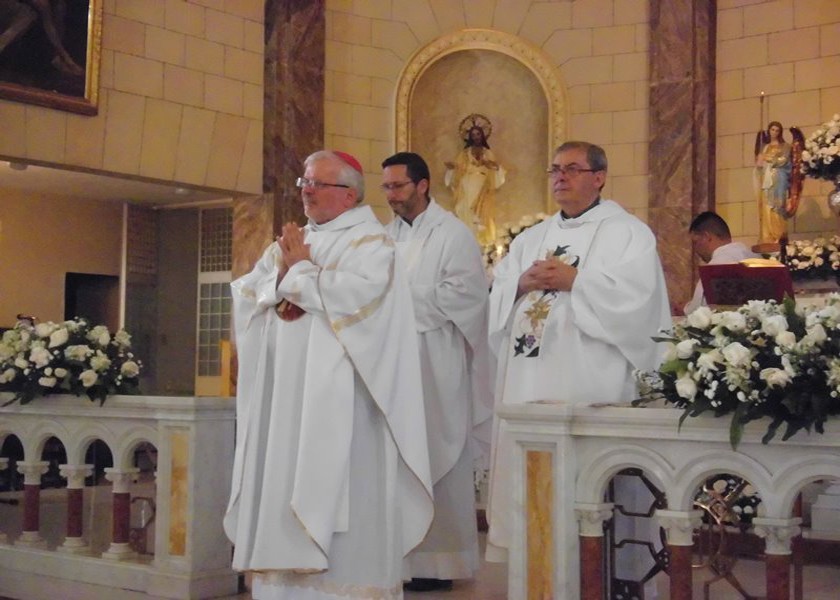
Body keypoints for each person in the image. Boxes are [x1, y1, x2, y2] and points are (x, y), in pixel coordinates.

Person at [224, 150, 434, 599]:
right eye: (304, 181)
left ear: (349, 194)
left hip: (346, 406)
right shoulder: (289, 241)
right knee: (282, 476)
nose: (306, 190)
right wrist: (281, 273)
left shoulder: (371, 245)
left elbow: (360, 304)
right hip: (286, 400)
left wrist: (297, 271)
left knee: (342, 498)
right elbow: (249, 291)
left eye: (317, 183)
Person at [485, 141, 672, 588]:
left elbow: (640, 302)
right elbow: (494, 299)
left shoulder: (627, 232)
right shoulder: (531, 238)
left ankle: (607, 582)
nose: (560, 177)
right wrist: (516, 285)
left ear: (599, 177)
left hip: (590, 380)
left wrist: (578, 282)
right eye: (554, 169)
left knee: (588, 491)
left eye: (571, 169)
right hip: (528, 380)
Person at [381, 152, 494, 592]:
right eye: (386, 187)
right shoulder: (384, 237)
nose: (390, 196)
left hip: (435, 364)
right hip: (392, 365)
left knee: (436, 459)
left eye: (398, 187)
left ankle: (439, 562)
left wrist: (398, 300)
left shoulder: (454, 234)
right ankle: (400, 558)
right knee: (397, 460)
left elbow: (465, 296)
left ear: (423, 185)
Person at [444, 114, 506, 247]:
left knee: (482, 214)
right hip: (466, 185)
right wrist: (452, 169)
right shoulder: (465, 154)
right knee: (465, 210)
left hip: (483, 185)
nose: (476, 137)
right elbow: (458, 169)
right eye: (473, 135)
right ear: (470, 137)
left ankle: (483, 243)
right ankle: (466, 240)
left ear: (482, 135)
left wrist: (492, 166)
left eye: (478, 134)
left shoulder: (488, 153)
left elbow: (496, 169)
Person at [682, 211, 758, 315]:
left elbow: (699, 310)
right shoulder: (754, 257)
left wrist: (684, 309)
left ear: (706, 236)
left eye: (695, 242)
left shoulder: (716, 266)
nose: (695, 250)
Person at [754, 121, 792, 245]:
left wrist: (768, 159)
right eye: (772, 130)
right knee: (766, 206)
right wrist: (760, 161)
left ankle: (779, 235)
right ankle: (767, 237)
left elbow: (784, 161)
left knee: (777, 206)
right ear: (769, 131)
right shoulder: (765, 147)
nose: (774, 132)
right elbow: (759, 165)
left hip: (779, 179)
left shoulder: (785, 146)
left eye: (777, 130)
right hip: (766, 180)